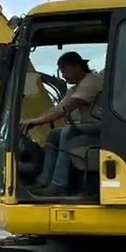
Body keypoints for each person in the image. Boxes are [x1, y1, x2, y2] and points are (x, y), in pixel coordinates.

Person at [18, 51, 105, 196]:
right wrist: (33, 121)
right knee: (53, 135)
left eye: (65, 70)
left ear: (77, 66)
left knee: (67, 133)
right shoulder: (74, 88)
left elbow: (66, 109)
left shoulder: (92, 81)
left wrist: (35, 121)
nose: (63, 75)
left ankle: (59, 184)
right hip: (90, 127)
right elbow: (56, 109)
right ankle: (44, 180)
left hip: (104, 127)